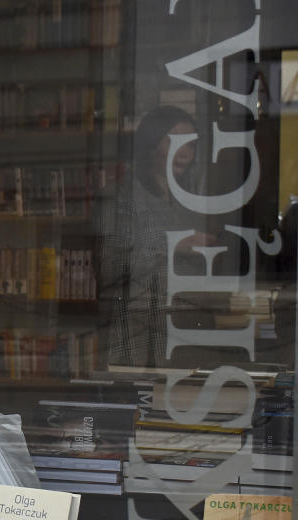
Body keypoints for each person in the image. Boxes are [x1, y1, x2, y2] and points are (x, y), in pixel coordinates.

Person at [98, 105, 215, 367]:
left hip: (186, 323)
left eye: (190, 144)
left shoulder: (188, 201)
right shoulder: (122, 198)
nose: (184, 152)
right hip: (142, 329)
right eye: (174, 142)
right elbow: (111, 267)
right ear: (150, 145)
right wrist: (173, 245)